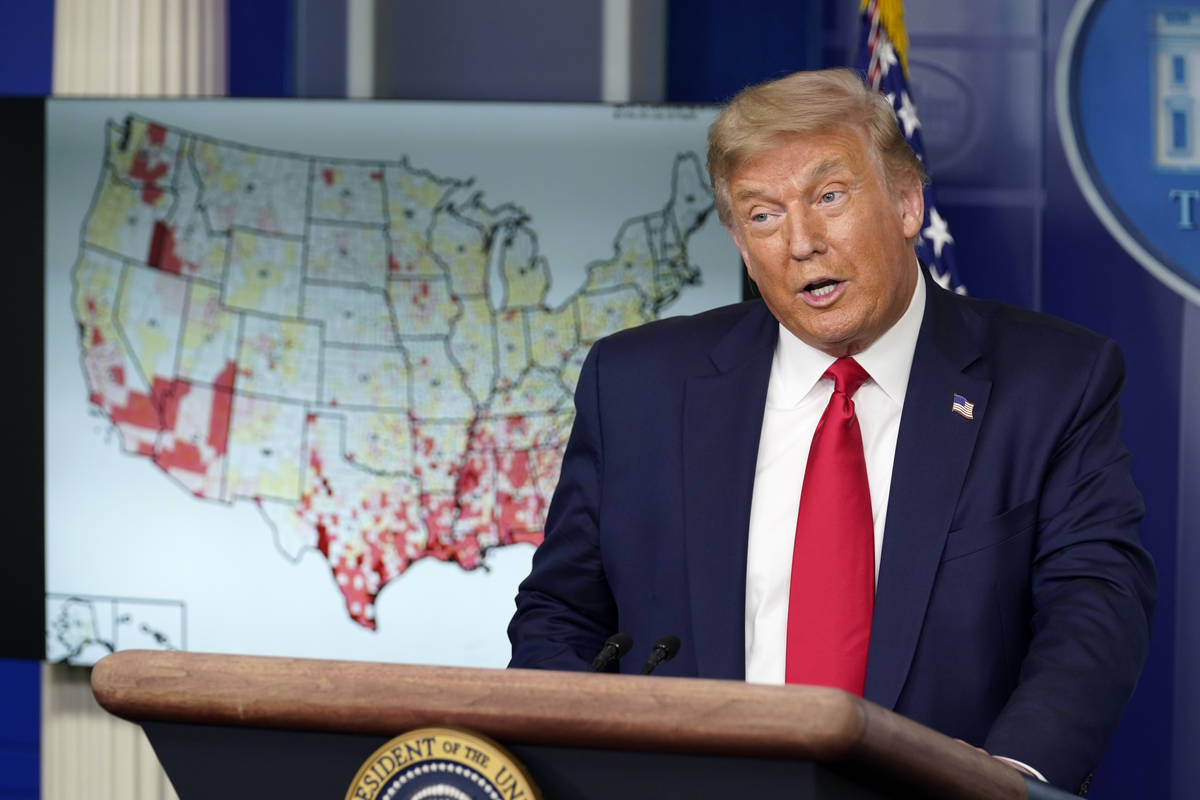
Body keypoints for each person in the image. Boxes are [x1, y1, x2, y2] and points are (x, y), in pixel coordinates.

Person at [507, 68, 1156, 794]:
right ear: (740, 244)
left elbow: (1094, 605)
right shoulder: (637, 385)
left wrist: (1002, 785)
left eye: (829, 197)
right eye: (762, 215)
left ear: (907, 202)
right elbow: (561, 613)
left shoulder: (1053, 381)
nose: (801, 242)